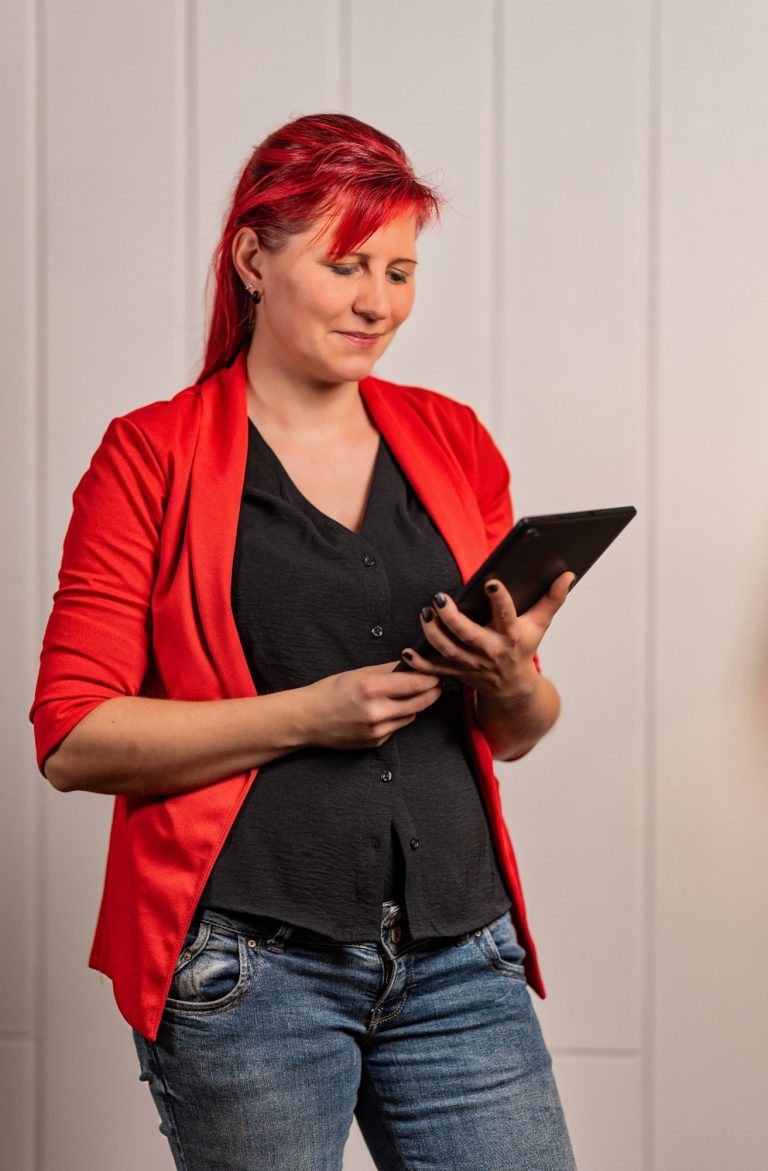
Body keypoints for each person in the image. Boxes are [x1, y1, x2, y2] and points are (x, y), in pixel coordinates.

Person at [30, 112, 578, 1170]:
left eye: (402, 271)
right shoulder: (150, 456)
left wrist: (512, 677)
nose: (379, 302)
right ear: (252, 257)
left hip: (465, 955)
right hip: (248, 971)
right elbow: (72, 737)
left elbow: (518, 730)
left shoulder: (454, 440)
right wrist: (306, 716)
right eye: (345, 264)